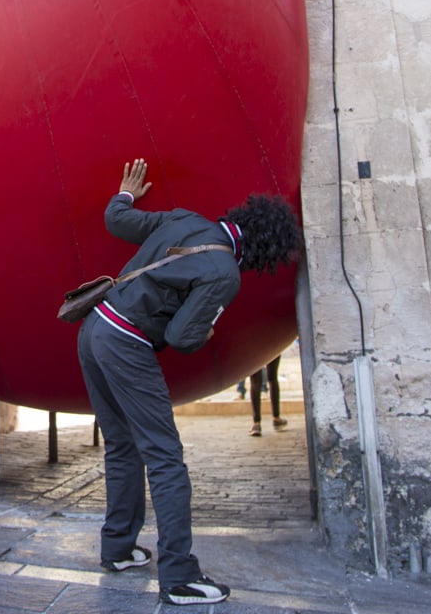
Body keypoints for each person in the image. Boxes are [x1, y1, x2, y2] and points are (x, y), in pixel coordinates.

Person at [76, 158, 302, 606]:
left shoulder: (187, 219)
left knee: (123, 444)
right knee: (165, 456)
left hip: (93, 326)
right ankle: (179, 576)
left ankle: (119, 548)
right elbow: (182, 337)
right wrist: (206, 330)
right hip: (125, 341)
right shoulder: (225, 274)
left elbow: (116, 219)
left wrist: (125, 192)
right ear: (263, 253)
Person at [248, 355, 287, 436]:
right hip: (271, 344)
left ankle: (256, 424)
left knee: (255, 381)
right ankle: (276, 418)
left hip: (253, 346)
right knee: (273, 378)